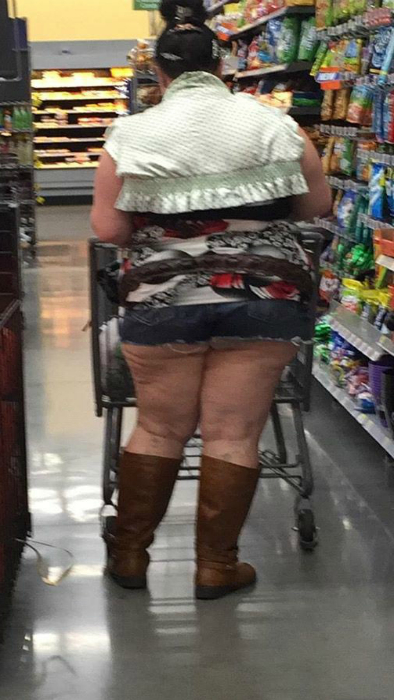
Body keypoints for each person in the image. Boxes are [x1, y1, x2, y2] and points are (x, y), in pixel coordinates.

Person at [91, 0, 331, 601]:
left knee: (159, 427)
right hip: (264, 293)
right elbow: (316, 206)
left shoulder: (129, 133)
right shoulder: (277, 125)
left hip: (163, 297)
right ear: (222, 67)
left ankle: (130, 555)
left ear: (159, 73)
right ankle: (216, 567)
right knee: (232, 433)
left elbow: (109, 230)